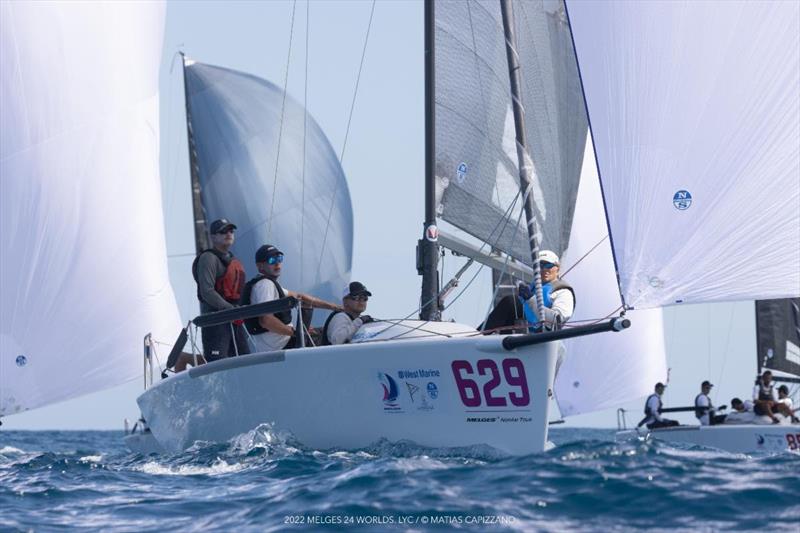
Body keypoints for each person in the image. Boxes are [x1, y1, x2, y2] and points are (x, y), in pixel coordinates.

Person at [241, 244, 341, 352]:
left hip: (282, 343)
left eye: (279, 259)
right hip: (284, 345)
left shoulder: (266, 284)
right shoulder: (265, 285)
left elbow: (300, 297)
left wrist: (334, 307)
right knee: (333, 333)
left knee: (322, 331)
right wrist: (295, 333)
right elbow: (266, 320)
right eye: (271, 260)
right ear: (260, 266)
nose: (277, 263)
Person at [191, 218, 249, 362]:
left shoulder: (233, 260)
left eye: (230, 231)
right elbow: (207, 291)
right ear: (213, 237)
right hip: (216, 321)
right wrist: (231, 310)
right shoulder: (208, 258)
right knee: (219, 363)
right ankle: (186, 359)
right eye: (223, 231)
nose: (228, 234)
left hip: (235, 319)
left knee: (246, 361)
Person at [481, 250, 575, 334]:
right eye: (540, 266)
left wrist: (530, 299)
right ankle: (479, 335)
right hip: (521, 338)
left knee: (510, 302)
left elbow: (556, 321)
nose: (544, 269)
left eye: (548, 265)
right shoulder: (533, 288)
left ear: (557, 269)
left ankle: (480, 335)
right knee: (509, 303)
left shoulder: (563, 292)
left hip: (543, 339)